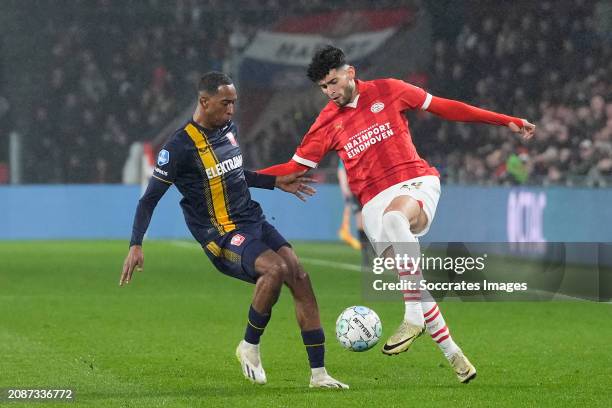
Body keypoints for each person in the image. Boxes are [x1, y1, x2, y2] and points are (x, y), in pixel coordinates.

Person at [259, 46, 536, 383]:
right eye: (323, 87)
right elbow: (293, 168)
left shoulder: (389, 90)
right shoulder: (326, 123)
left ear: (350, 71)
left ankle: (412, 316)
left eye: (333, 81)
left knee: (396, 224)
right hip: (372, 204)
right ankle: (454, 355)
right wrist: (242, 179)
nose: (330, 91)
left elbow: (446, 108)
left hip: (414, 183)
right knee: (413, 280)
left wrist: (503, 119)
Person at [120, 71, 348, 389]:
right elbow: (148, 200)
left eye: (234, 103)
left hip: (252, 219)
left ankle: (319, 374)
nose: (231, 109)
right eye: (225, 103)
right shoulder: (179, 147)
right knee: (275, 270)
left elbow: (235, 173)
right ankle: (249, 347)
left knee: (299, 276)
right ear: (204, 101)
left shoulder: (228, 129)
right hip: (221, 235)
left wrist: (273, 181)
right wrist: (135, 244)